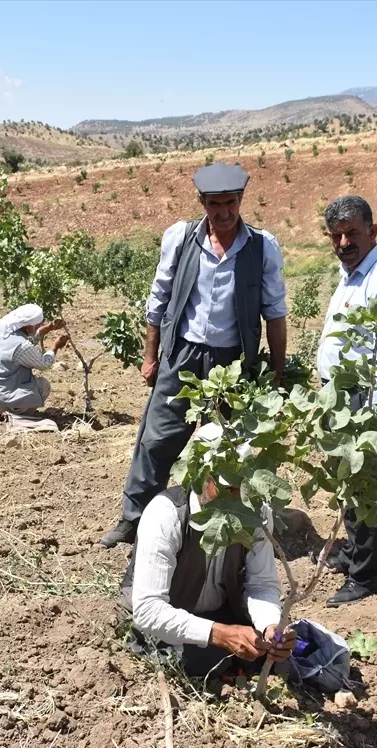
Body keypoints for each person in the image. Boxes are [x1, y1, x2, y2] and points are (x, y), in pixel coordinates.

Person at [99, 162, 289, 548]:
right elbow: (159, 298)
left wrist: (277, 367)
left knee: (231, 445)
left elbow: (275, 310)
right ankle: (134, 520)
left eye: (230, 203)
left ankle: (224, 524)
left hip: (233, 361)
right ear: (202, 203)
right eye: (214, 204)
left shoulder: (261, 246)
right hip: (182, 354)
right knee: (156, 440)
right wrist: (151, 355)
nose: (223, 213)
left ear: (241, 201)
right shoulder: (181, 237)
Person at [120, 423, 296, 676]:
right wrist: (220, 634)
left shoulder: (256, 514)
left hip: (220, 612)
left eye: (241, 486)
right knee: (203, 659)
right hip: (161, 617)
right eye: (225, 487)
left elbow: (262, 584)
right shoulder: (166, 514)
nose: (234, 497)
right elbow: (149, 609)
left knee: (272, 652)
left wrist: (269, 625)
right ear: (201, 476)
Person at [314, 195, 377, 607]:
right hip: (340, 397)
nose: (342, 242)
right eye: (335, 235)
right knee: (348, 483)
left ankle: (365, 576)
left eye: (352, 232)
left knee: (365, 486)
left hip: (365, 401)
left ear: (373, 231)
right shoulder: (351, 273)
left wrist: (376, 420)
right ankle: (354, 552)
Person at [0, 303, 69, 415]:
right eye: (38, 325)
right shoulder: (21, 346)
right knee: (43, 386)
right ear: (28, 327)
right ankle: (14, 414)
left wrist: (49, 328)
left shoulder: (1, 330)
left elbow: (29, 340)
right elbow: (44, 364)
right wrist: (55, 346)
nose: (40, 325)